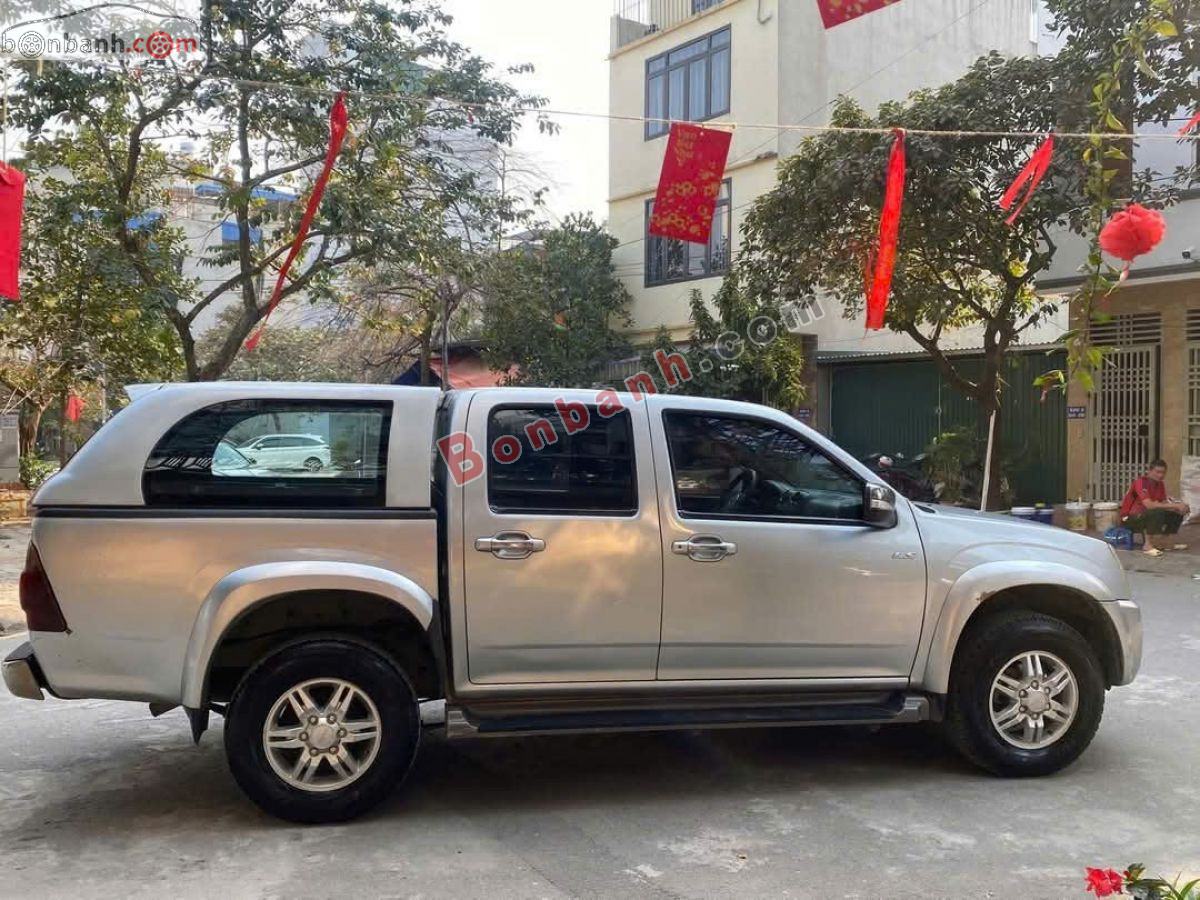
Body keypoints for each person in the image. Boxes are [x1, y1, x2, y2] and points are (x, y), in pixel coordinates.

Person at [1120, 459, 1191, 556]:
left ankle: (1165, 542)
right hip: (1129, 518)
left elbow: (1164, 503)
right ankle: (1147, 545)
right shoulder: (1141, 482)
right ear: (1149, 471)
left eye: (1163, 473)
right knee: (1155, 511)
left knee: (1176, 513)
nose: (1160, 475)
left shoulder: (1160, 484)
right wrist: (1175, 505)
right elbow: (1149, 505)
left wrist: (1179, 507)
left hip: (1145, 515)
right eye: (1158, 472)